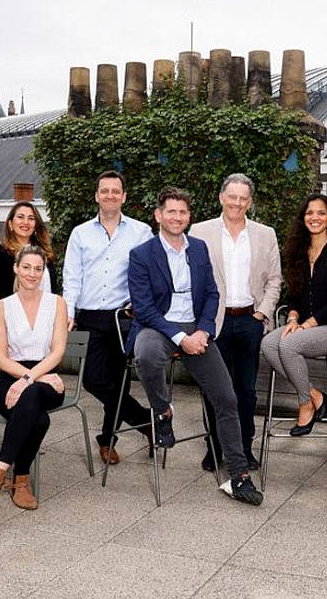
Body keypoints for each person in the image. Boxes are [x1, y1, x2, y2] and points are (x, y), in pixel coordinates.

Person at [127, 187, 264, 506]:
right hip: (158, 326)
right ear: (158, 215)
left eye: (183, 212)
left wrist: (203, 330)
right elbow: (144, 308)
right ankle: (162, 411)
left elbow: (213, 295)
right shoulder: (141, 255)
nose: (177, 217)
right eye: (171, 211)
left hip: (196, 328)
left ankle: (238, 476)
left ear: (189, 217)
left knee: (227, 398)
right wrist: (180, 339)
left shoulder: (200, 249)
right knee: (145, 354)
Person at [188, 173, 281, 473]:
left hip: (249, 320)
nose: (237, 203)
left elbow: (275, 280)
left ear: (250, 202)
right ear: (221, 198)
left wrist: (262, 313)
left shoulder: (265, 234)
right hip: (214, 322)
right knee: (214, 388)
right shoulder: (200, 232)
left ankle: (244, 447)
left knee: (246, 389)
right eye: (232, 197)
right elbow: (191, 279)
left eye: (243, 198)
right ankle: (215, 446)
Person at [62, 170, 154, 465]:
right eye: (105, 191)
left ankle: (107, 439)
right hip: (89, 317)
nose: (110, 196)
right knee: (94, 381)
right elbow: (72, 277)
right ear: (97, 195)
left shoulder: (140, 232)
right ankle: (146, 420)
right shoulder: (80, 233)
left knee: (120, 382)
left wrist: (141, 303)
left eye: (116, 191)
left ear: (124, 196)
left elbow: (151, 275)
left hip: (123, 317)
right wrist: (67, 312)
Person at [0, 245, 69, 510]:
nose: (32, 273)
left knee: (33, 395)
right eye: (26, 267)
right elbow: (1, 358)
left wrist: (30, 379)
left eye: (38, 269)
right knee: (39, 419)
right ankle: (21, 481)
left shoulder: (57, 303)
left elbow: (58, 351)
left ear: (43, 272)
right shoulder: (1, 307)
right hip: (11, 376)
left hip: (47, 376)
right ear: (16, 268)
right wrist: (28, 378)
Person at [260, 194, 327, 436]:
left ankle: (304, 404)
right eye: (310, 213)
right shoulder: (297, 251)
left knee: (289, 344)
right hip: (303, 327)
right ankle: (315, 395)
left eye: (321, 213)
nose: (315, 217)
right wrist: (293, 319)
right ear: (303, 218)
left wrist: (308, 324)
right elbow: (294, 295)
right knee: (269, 343)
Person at [0, 201, 58, 304]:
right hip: (15, 315)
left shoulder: (45, 252)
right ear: (10, 223)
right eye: (20, 217)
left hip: (47, 313)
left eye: (31, 218)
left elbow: (53, 290)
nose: (26, 222)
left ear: (36, 225)